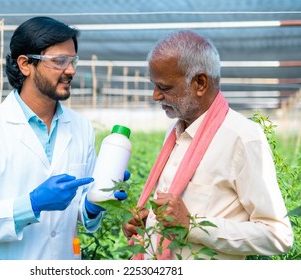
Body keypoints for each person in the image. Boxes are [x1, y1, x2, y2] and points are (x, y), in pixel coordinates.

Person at [0, 16, 127, 260]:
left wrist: (94, 205)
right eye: (60, 61)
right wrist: (29, 205)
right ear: (25, 64)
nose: (70, 70)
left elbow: (78, 212)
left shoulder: (81, 127)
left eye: (72, 60)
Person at [122, 30, 294, 260]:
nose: (155, 96)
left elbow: (278, 235)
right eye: (154, 85)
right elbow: (174, 213)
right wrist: (148, 222)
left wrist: (193, 226)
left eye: (164, 87)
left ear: (200, 83)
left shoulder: (241, 137)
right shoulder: (174, 132)